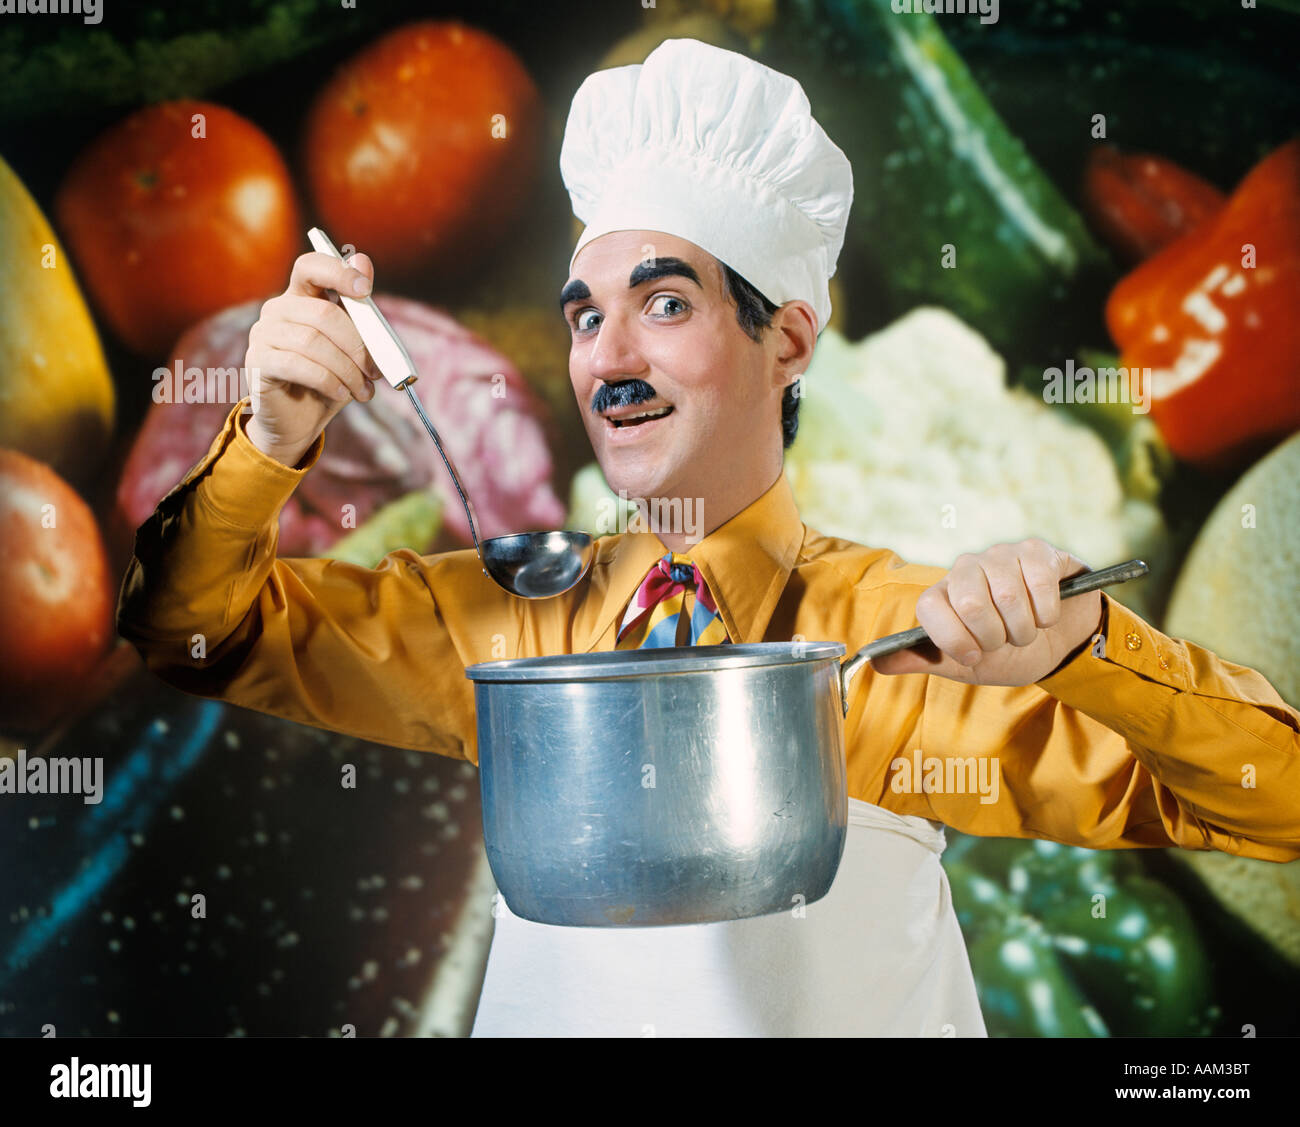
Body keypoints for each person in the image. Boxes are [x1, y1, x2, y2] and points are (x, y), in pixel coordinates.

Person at [116, 39, 1300, 1037]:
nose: (608, 357)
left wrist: (1088, 646)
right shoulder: (510, 625)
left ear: (786, 340)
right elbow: (190, 631)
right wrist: (266, 441)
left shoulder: (889, 648)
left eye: (664, 302)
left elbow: (1275, 802)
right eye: (587, 315)